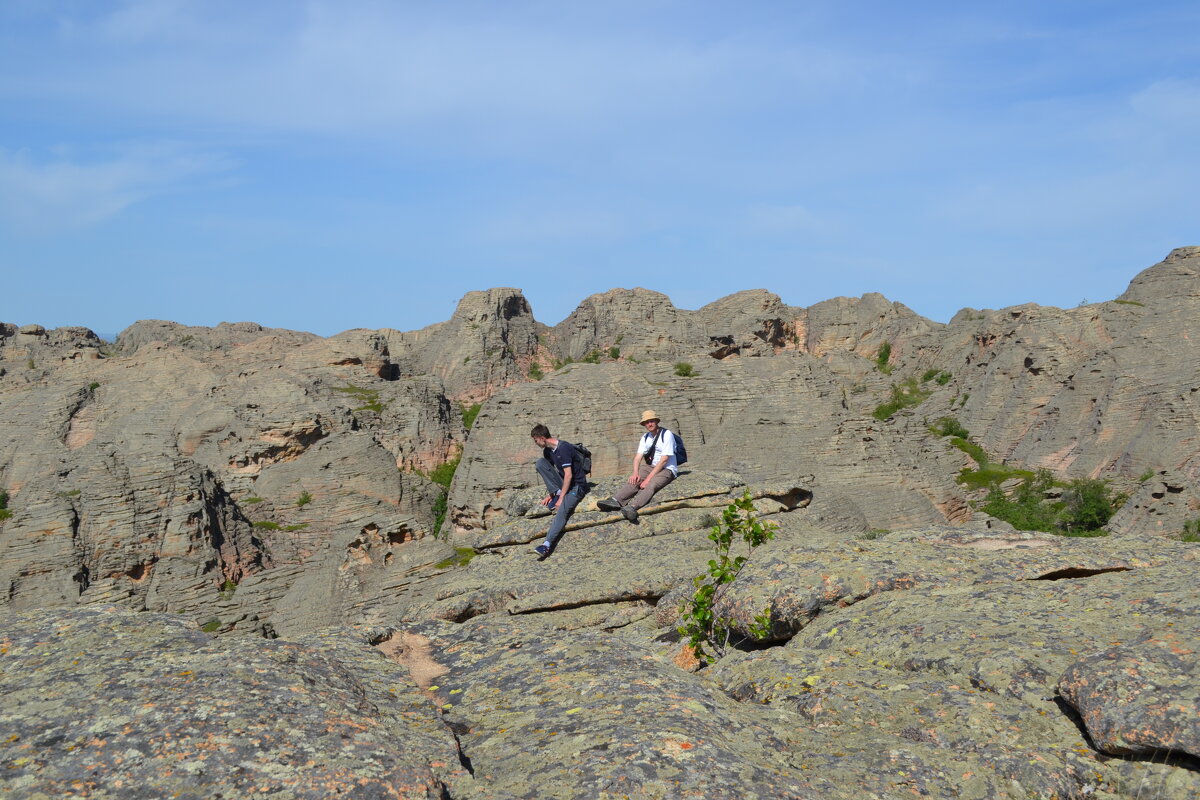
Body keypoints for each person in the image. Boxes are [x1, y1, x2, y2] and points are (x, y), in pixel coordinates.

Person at [596, 410, 678, 522]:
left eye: (651, 421)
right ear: (644, 424)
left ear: (656, 421)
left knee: (651, 485)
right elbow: (638, 457)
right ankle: (616, 500)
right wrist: (635, 473)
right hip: (650, 467)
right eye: (646, 422)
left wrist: (648, 479)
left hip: (667, 469)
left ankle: (632, 507)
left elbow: (664, 460)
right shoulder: (645, 437)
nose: (649, 424)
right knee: (634, 480)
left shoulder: (666, 434)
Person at [530, 423, 589, 559]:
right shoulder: (548, 451)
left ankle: (546, 545)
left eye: (536, 440)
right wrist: (553, 493)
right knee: (540, 463)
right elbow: (552, 472)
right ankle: (556, 493)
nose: (536, 443)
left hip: (577, 486)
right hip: (565, 484)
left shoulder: (564, 448)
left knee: (562, 510)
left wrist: (562, 498)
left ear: (542, 437)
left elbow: (569, 475)